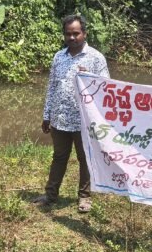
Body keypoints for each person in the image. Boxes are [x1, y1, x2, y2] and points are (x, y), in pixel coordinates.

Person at [31, 15, 110, 213]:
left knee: (85, 159)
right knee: (59, 157)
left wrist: (89, 77)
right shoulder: (59, 57)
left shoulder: (95, 58)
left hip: (84, 120)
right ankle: (50, 195)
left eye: (76, 33)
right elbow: (52, 87)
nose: (72, 37)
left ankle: (84, 197)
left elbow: (106, 88)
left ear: (84, 34)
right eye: (68, 34)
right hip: (60, 118)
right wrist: (47, 115)